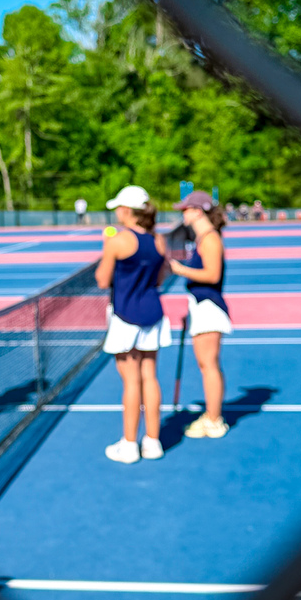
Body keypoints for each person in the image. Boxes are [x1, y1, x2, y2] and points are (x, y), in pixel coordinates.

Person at [96, 185, 171, 463]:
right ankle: (152, 442)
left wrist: (107, 245)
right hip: (153, 314)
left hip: (126, 316)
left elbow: (103, 280)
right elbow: (160, 279)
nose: (116, 212)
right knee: (149, 376)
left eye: (118, 207)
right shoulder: (159, 241)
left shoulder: (117, 241)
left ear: (127, 211)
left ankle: (129, 445)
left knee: (131, 380)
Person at [169, 190, 232, 439]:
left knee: (209, 366)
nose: (182, 213)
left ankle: (214, 420)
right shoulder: (203, 238)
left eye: (185, 209)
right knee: (206, 365)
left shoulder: (210, 239)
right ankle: (211, 415)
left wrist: (179, 269)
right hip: (200, 306)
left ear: (197, 211)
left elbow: (213, 275)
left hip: (210, 306)